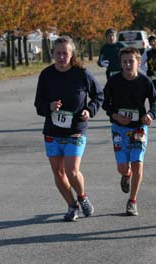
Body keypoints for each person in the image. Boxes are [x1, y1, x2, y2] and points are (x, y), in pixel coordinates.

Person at [34, 36, 104, 222]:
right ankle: (72, 205)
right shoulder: (46, 75)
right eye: (58, 53)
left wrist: (90, 110)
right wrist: (49, 107)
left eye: (65, 53)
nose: (61, 56)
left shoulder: (82, 73)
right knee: (58, 172)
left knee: (72, 171)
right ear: (53, 54)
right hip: (52, 131)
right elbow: (38, 105)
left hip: (76, 128)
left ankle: (82, 197)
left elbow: (98, 95)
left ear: (72, 54)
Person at [102, 47, 156, 216]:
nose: (127, 65)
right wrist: (115, 115)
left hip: (138, 128)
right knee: (123, 167)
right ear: (121, 64)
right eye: (124, 62)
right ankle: (125, 174)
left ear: (138, 62)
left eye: (131, 61)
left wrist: (151, 114)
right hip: (119, 128)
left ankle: (132, 201)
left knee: (137, 163)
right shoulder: (114, 81)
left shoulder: (145, 81)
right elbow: (105, 102)